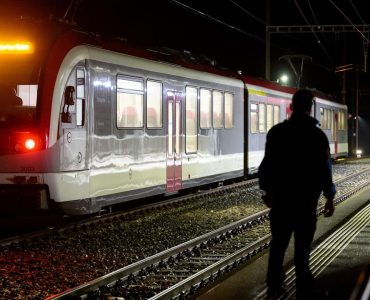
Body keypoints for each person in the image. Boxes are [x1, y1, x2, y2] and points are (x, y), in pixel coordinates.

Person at [258, 89, 336, 299]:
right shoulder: (317, 136)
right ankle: (304, 288)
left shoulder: (276, 133)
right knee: (302, 249)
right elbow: (324, 169)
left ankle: (274, 286)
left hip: (282, 200)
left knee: (278, 245)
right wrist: (329, 196)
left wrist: (266, 191)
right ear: (310, 107)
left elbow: (266, 166)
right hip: (305, 202)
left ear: (291, 106)